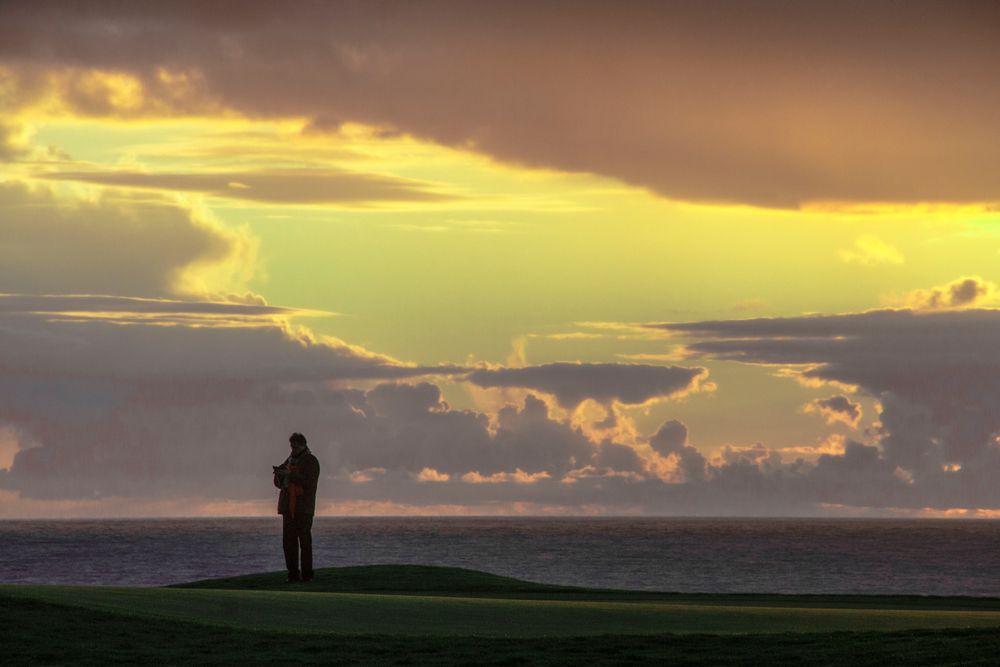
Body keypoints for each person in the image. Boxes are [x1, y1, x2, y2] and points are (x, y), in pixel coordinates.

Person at [273, 432, 320, 582]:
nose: (292, 449)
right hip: (288, 508)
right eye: (291, 446)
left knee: (304, 542)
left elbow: (308, 482)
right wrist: (280, 474)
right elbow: (278, 482)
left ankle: (307, 575)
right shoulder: (290, 460)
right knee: (289, 543)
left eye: (295, 446)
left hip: (303, 509)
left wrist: (289, 474)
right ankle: (293, 574)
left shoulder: (311, 461)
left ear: (302, 445)